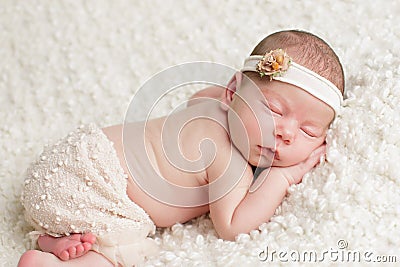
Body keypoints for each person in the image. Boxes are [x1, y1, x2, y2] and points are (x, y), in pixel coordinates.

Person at [18, 29, 345, 266]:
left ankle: (56, 237)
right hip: (100, 187)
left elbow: (198, 96)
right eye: (274, 110)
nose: (287, 133)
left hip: (69, 161)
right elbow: (232, 226)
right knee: (129, 250)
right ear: (233, 91)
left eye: (308, 130)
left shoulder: (209, 103)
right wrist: (284, 177)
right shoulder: (225, 154)